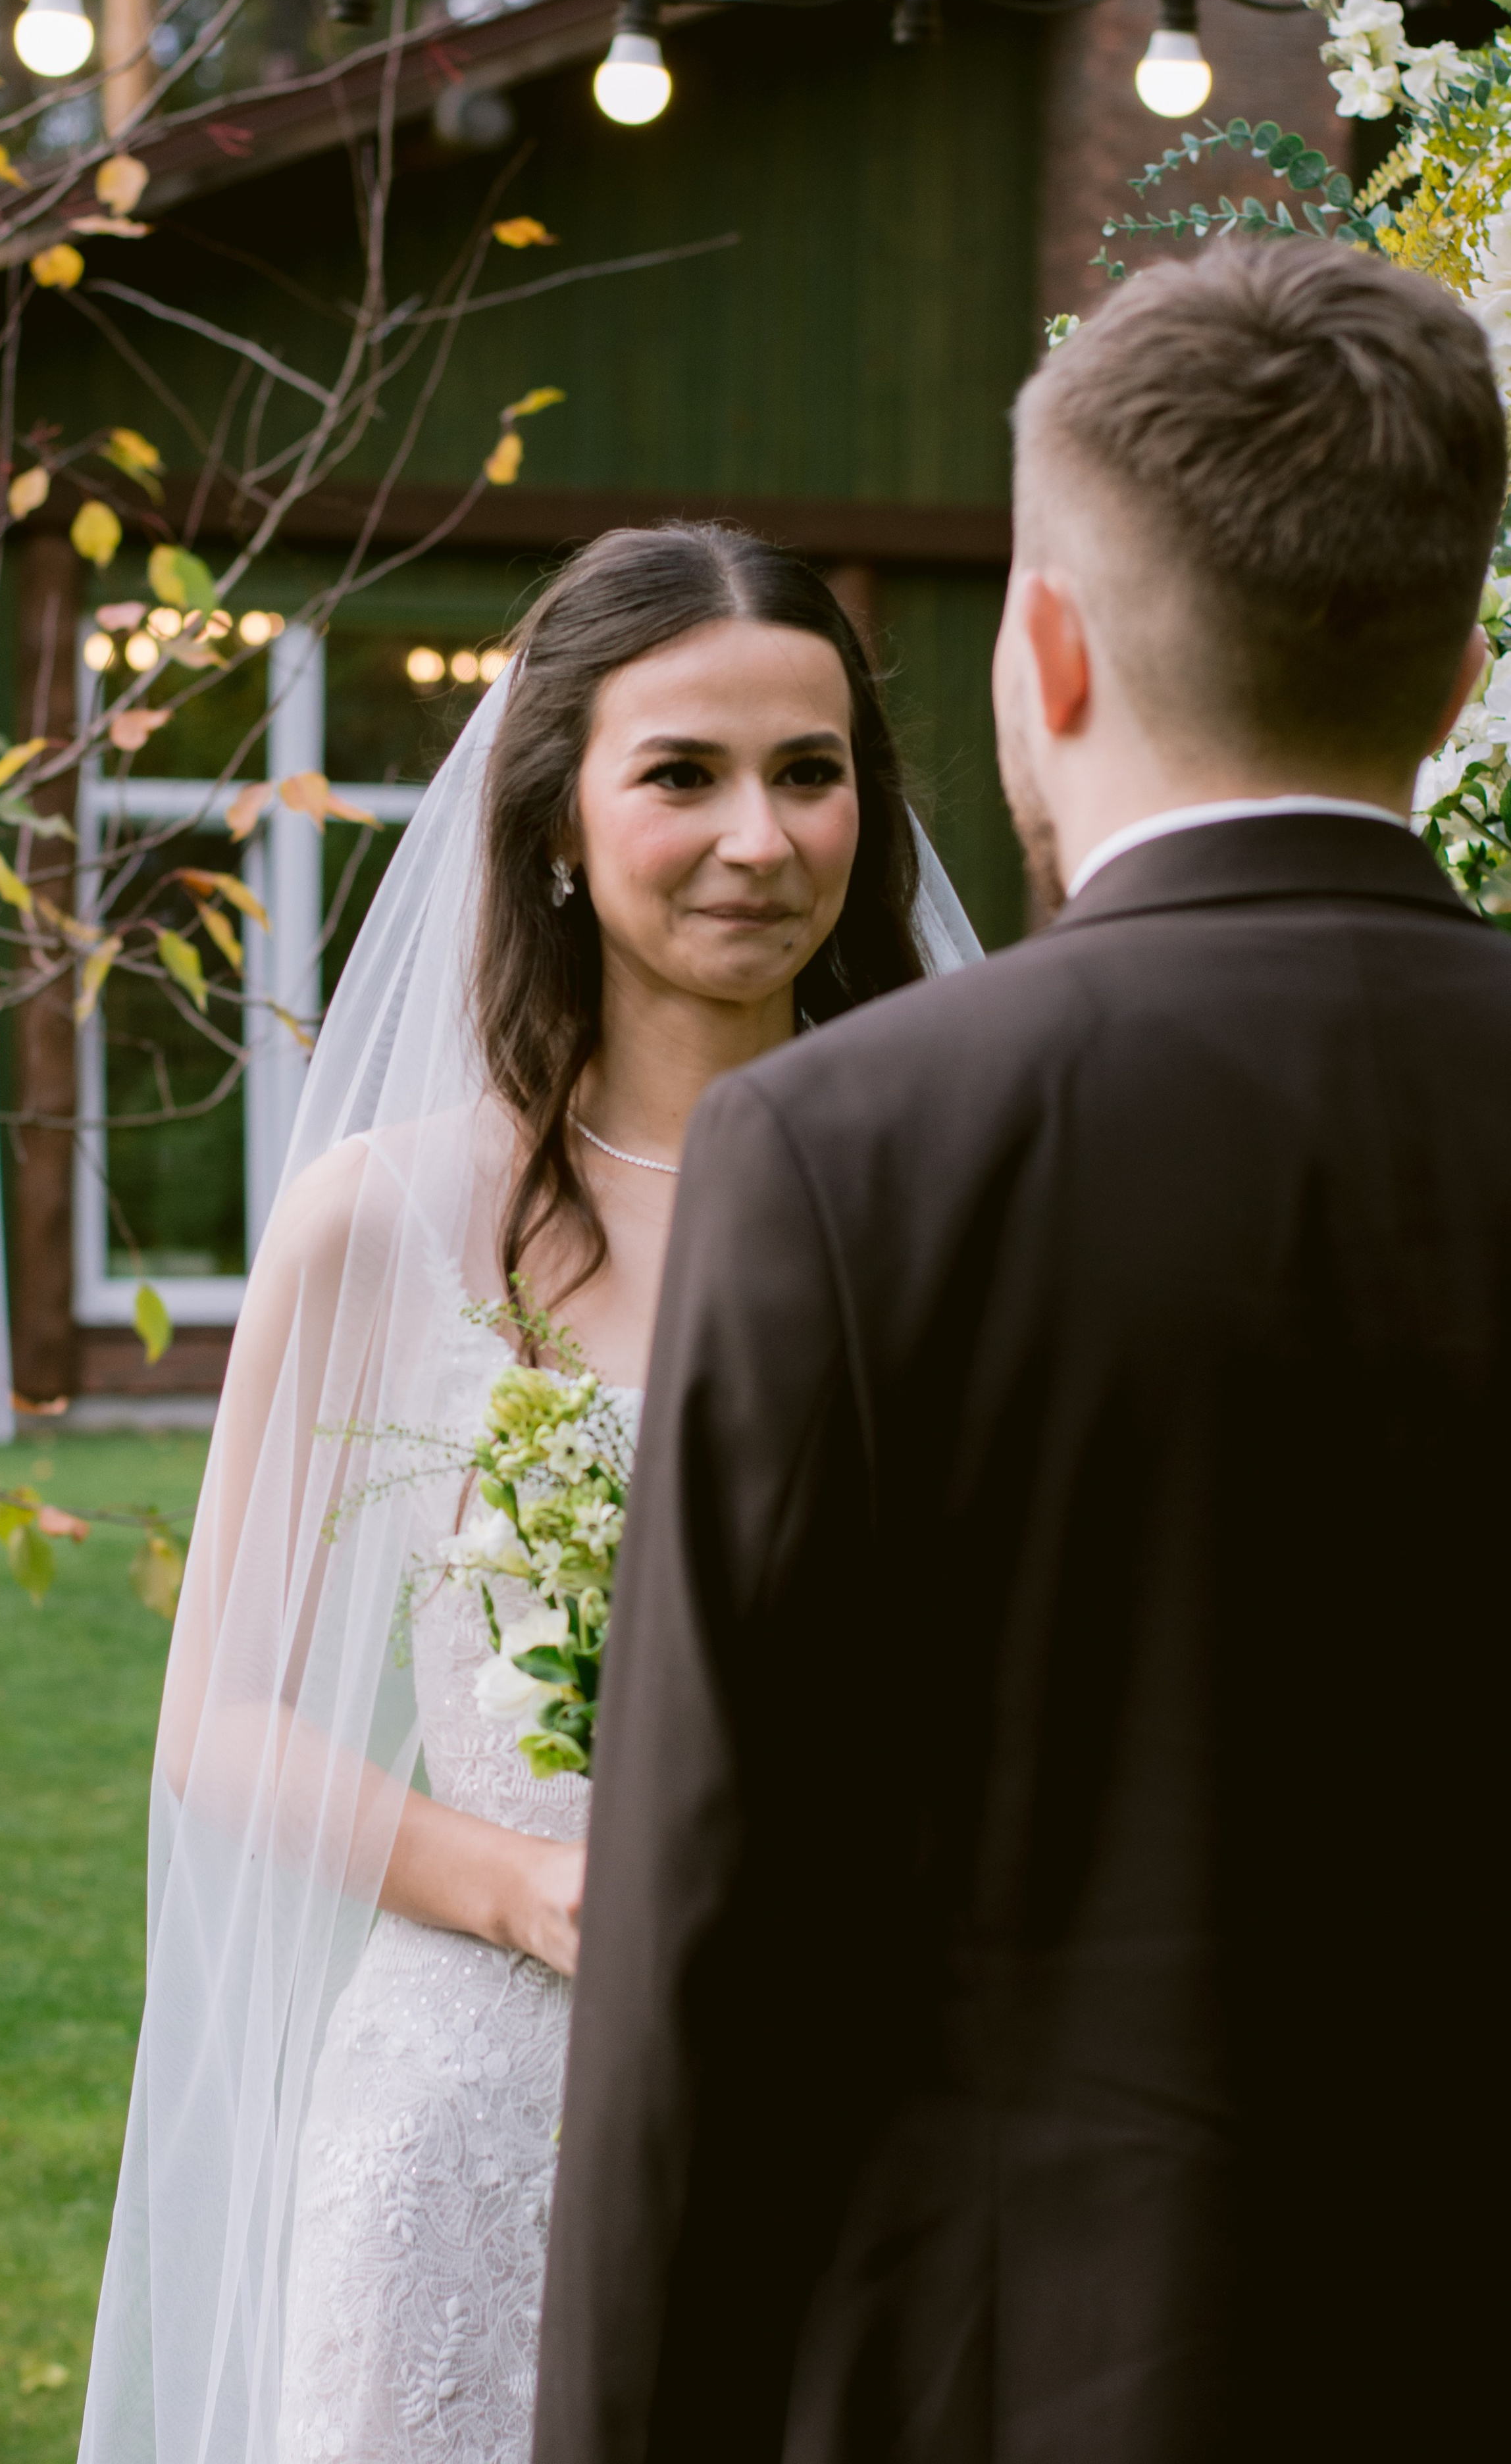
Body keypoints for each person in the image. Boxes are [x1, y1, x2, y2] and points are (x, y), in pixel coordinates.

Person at [534, 241, 1511, 2464]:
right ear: (1462, 675)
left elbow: (698, 1936)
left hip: (1016, 2383)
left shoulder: (846, 1152)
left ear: (1044, 650)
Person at [77, 522, 981, 2464]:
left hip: (863, 2086)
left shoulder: (957, 1207)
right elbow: (223, 1720)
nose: (762, 837)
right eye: (684, 775)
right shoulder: (387, 1221)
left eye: (810, 773)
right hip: (472, 2105)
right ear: (559, 819)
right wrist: (534, 1894)